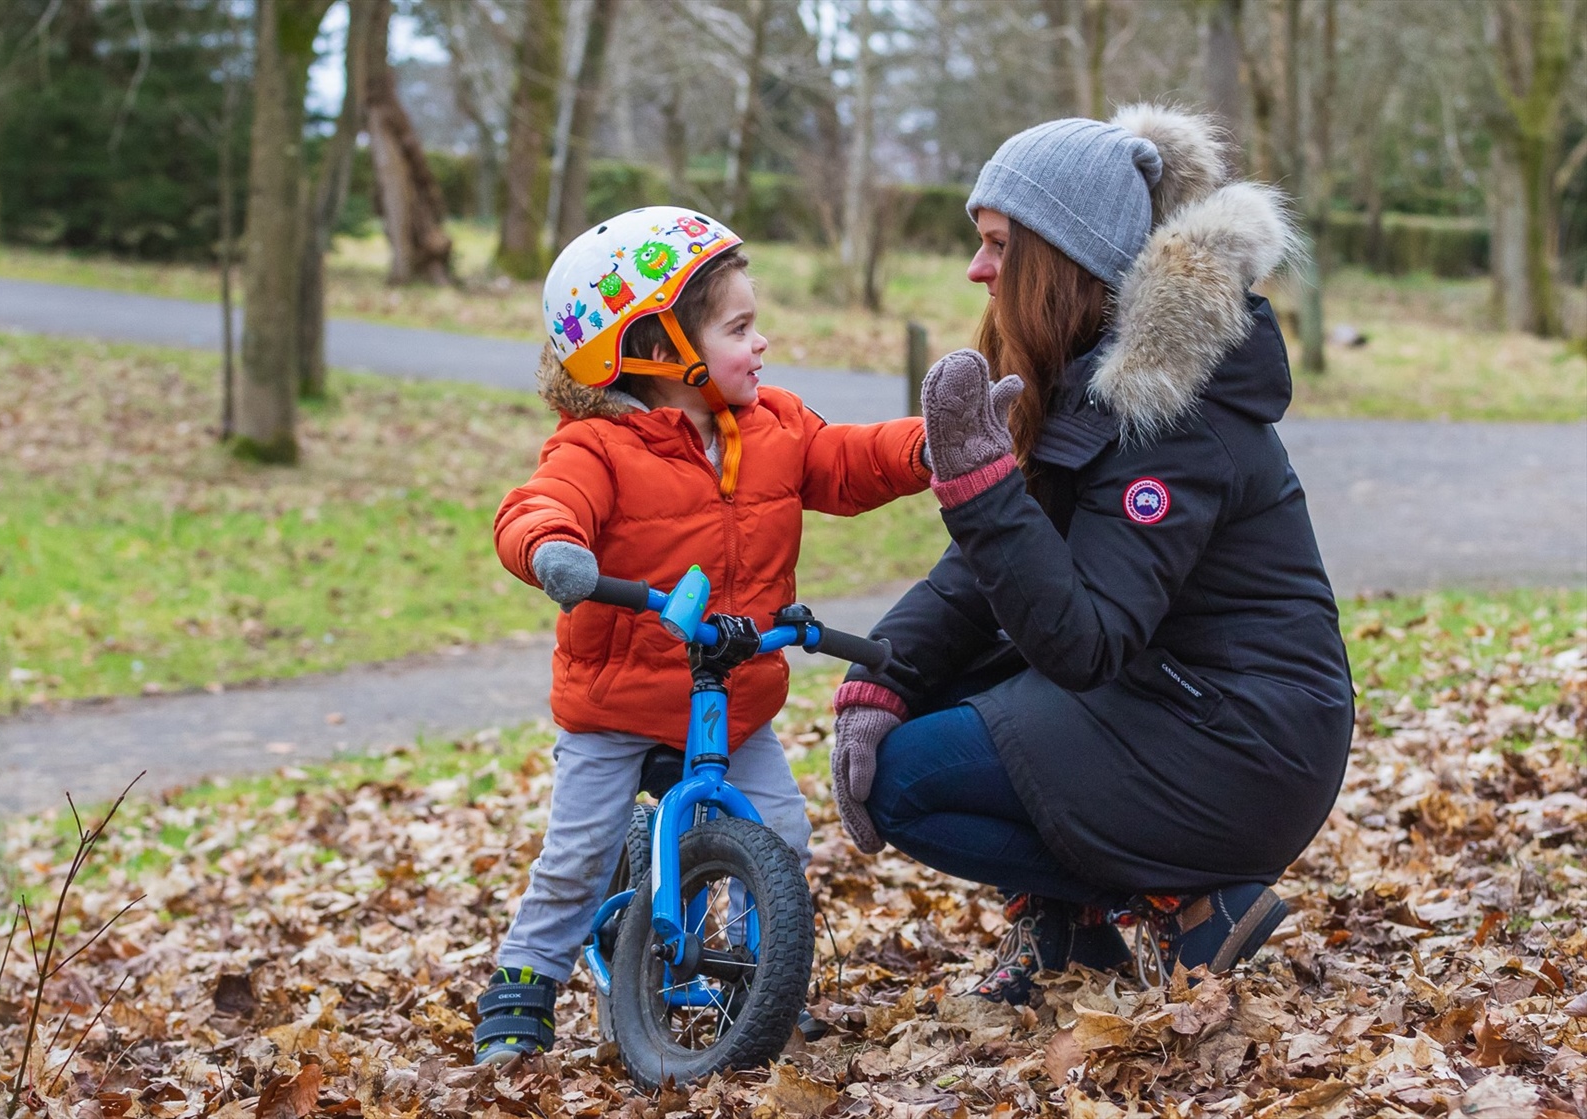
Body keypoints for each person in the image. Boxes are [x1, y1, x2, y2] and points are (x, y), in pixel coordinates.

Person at [830, 105, 1353, 1003]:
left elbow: (1083, 640)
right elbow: (1000, 573)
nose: (976, 268)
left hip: (1243, 740)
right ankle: (1075, 917)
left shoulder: (1173, 416)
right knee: (923, 706)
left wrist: (981, 485)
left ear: (1058, 260)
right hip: (1171, 696)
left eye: (997, 244)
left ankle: (1177, 903)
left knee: (909, 783)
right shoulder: (1089, 378)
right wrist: (884, 674)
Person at [474, 206, 931, 1064]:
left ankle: (752, 970)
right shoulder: (598, 448)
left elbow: (846, 460)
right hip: (619, 705)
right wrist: (553, 550)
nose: (761, 345)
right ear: (651, 348)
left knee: (783, 834)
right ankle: (526, 978)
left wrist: (934, 444)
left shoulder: (775, 426)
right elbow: (537, 506)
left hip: (733, 695)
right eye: (740, 327)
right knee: (577, 854)